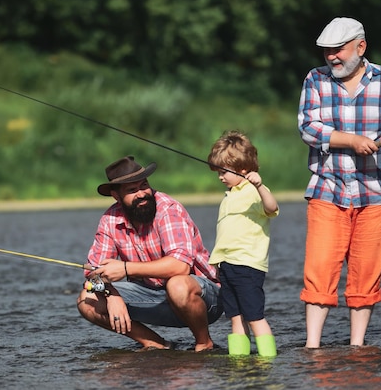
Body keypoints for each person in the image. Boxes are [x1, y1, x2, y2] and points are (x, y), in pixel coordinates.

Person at [297, 17, 381, 348]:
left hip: (378, 192)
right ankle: (312, 347)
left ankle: (357, 347)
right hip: (327, 189)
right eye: (326, 52)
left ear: (360, 47)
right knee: (319, 270)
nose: (331, 57)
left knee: (366, 273)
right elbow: (308, 127)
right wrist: (350, 141)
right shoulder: (314, 80)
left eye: (338, 50)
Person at [76, 156, 223, 352]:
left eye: (144, 185)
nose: (142, 194)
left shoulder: (167, 209)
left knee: (177, 284)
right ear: (116, 196)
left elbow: (180, 267)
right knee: (87, 298)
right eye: (132, 190)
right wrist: (112, 295)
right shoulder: (110, 220)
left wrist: (126, 269)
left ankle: (204, 343)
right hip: (154, 297)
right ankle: (157, 344)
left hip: (204, 298)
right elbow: (91, 274)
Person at [207, 130, 280, 356]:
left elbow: (271, 207)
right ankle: (239, 360)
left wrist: (259, 185)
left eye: (223, 172)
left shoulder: (254, 191)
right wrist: (217, 263)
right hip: (227, 264)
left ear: (242, 169)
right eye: (217, 172)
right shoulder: (229, 195)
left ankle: (268, 359)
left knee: (254, 316)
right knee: (235, 318)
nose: (220, 177)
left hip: (247, 266)